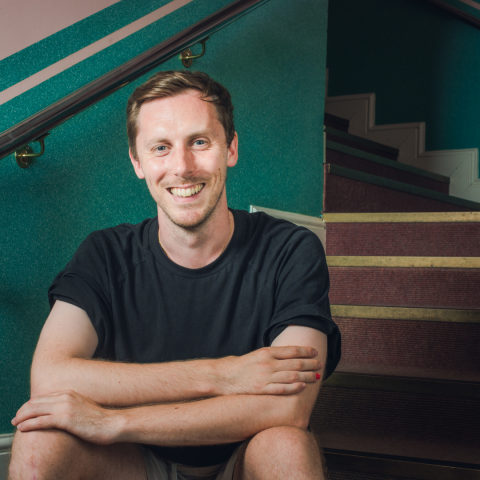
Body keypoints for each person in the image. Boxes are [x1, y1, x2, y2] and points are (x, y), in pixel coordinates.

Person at [8, 70, 340, 480]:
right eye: (161, 147)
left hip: (243, 459)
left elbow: (288, 408)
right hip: (133, 463)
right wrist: (223, 375)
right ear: (137, 162)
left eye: (199, 142)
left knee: (287, 446)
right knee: (39, 441)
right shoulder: (105, 253)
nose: (182, 167)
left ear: (231, 148)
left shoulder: (291, 250)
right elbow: (49, 376)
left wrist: (115, 422)